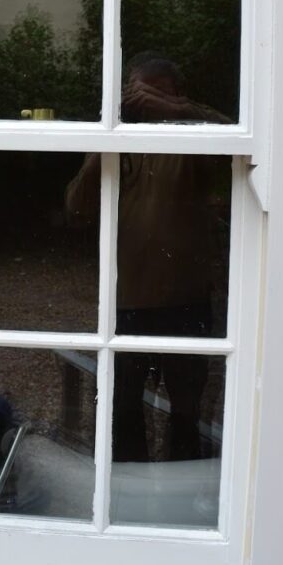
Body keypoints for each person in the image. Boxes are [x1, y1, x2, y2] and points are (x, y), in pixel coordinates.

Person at [65, 53, 228, 462]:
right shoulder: (120, 141)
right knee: (123, 409)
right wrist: (110, 133)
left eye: (152, 92)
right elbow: (78, 205)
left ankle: (184, 501)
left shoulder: (193, 138)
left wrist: (177, 112)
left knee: (187, 412)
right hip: (127, 302)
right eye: (136, 92)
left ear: (175, 94)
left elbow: (235, 138)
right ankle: (125, 498)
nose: (143, 101)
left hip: (186, 301)